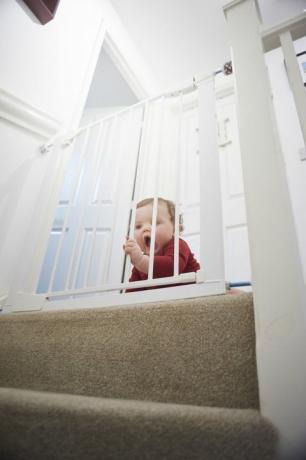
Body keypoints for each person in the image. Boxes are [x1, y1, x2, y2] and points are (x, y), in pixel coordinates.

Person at [123, 197, 200, 292]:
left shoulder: (178, 244)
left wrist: (140, 260)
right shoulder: (141, 264)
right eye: (138, 226)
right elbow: (134, 288)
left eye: (155, 223)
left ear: (174, 226)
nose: (145, 229)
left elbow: (172, 267)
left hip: (192, 291)